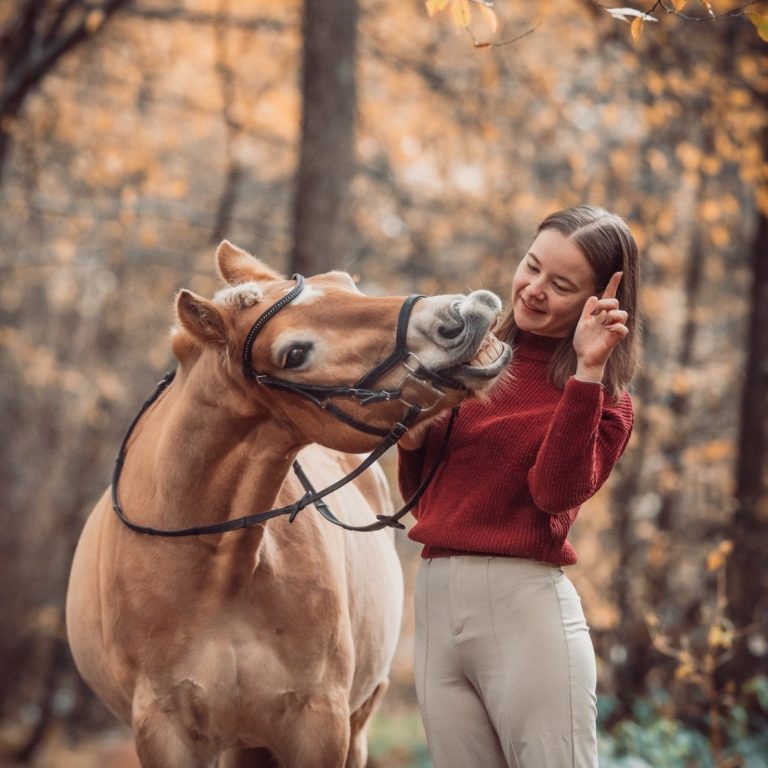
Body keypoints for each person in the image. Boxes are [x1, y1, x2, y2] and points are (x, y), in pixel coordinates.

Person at [397, 205, 640, 768]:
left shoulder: (605, 400)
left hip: (523, 610)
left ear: (597, 303)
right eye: (531, 267)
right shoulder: (468, 366)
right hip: (436, 598)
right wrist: (410, 434)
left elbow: (555, 493)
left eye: (560, 285)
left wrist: (587, 372)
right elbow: (424, 498)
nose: (533, 290)